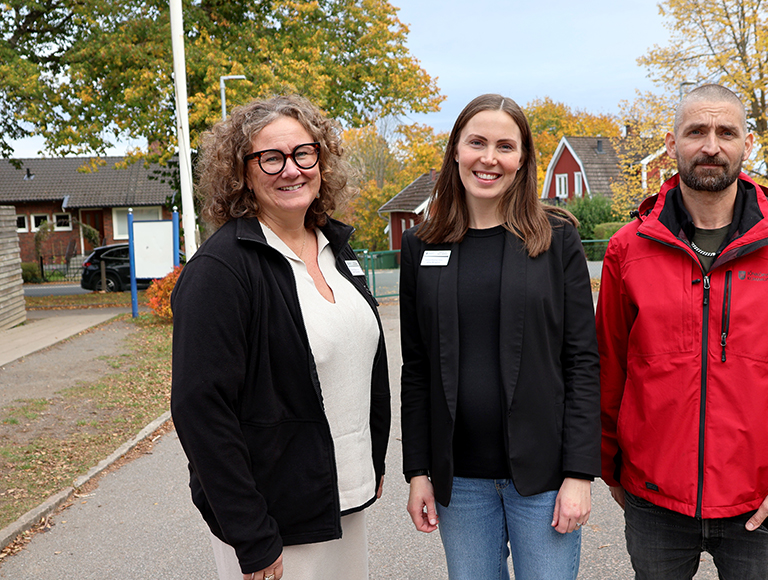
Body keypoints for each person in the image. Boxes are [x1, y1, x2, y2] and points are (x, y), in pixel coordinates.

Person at [596, 84, 768, 580]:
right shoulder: (628, 249)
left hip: (760, 499)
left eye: (726, 133)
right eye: (696, 131)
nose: (711, 146)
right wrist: (610, 465)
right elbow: (609, 369)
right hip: (654, 499)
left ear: (747, 144)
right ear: (672, 144)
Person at [170, 95, 390, 580]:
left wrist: (371, 463)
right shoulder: (221, 270)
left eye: (303, 153)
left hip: (342, 501)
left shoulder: (337, 250)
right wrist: (252, 535)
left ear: (321, 161)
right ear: (242, 173)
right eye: (270, 158)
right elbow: (200, 410)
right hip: (275, 521)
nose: (291, 170)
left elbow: (361, 366)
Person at [399, 93, 601, 580]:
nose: (489, 158)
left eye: (505, 146)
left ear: (522, 159)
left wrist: (579, 473)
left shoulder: (556, 240)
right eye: (477, 143)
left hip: (544, 478)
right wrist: (418, 471)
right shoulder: (421, 245)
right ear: (456, 150)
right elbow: (417, 368)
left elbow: (582, 362)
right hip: (461, 480)